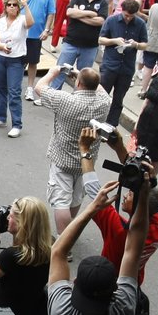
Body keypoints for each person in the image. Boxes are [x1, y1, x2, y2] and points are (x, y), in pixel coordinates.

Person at [44, 174, 151, 315]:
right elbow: (134, 248)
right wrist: (143, 194)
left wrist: (93, 207)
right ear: (115, 290)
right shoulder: (123, 311)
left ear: (75, 284)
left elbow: (57, 251)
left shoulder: (62, 314)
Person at [79, 127, 158, 315]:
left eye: (129, 194)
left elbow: (93, 192)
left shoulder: (119, 233)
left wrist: (85, 151)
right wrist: (119, 147)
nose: (125, 194)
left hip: (106, 295)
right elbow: (141, 187)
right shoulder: (156, 226)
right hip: (131, 292)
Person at [34, 66, 111, 237]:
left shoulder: (66, 100)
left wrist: (52, 73)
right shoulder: (104, 102)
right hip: (87, 162)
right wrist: (81, 74)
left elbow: (39, 87)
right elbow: (101, 89)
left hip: (63, 159)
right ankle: (69, 234)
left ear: (78, 83)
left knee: (61, 200)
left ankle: (63, 240)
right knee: (76, 198)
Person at [48, 0, 107, 91]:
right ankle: (52, 94)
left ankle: (78, 99)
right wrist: (90, 14)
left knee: (83, 76)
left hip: (89, 47)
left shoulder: (102, 3)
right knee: (61, 70)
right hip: (71, 42)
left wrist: (78, 15)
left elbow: (100, 21)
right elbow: (69, 12)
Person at [97, 0, 149, 127]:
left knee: (118, 99)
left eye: (132, 16)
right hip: (110, 65)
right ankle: (96, 121)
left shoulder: (140, 24)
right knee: (101, 95)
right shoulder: (111, 20)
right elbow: (100, 39)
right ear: (122, 11)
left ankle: (111, 125)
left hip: (126, 67)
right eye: (126, 15)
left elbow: (145, 45)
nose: (129, 18)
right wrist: (115, 41)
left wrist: (135, 44)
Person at [0, 0, 33, 136]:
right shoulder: (0, 21)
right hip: (0, 58)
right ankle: (1, 117)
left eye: (15, 5)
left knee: (14, 92)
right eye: (9, 5)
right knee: (0, 88)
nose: (12, 7)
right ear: (5, 7)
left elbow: (30, 23)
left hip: (16, 60)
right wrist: (2, 47)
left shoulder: (22, 20)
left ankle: (16, 124)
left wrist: (26, 5)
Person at [14, 0, 56, 104]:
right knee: (18, 62)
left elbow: (51, 12)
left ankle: (30, 88)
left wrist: (46, 30)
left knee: (33, 62)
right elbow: (10, 9)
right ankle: (15, 87)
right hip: (19, 34)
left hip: (36, 35)